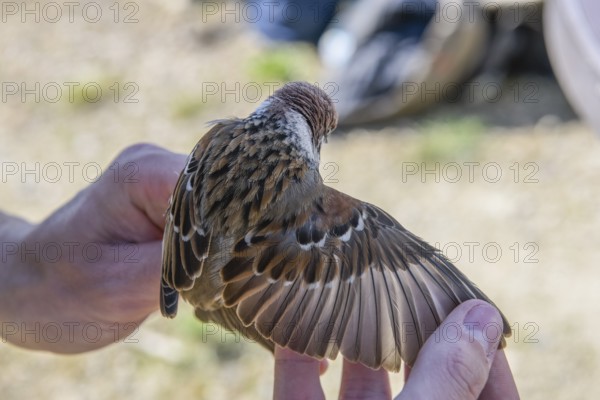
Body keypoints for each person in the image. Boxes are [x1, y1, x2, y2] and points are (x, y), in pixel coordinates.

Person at [0, 144, 519, 398]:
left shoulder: (212, 151)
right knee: (362, 227)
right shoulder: (329, 211)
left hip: (197, 270)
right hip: (211, 277)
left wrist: (28, 271)